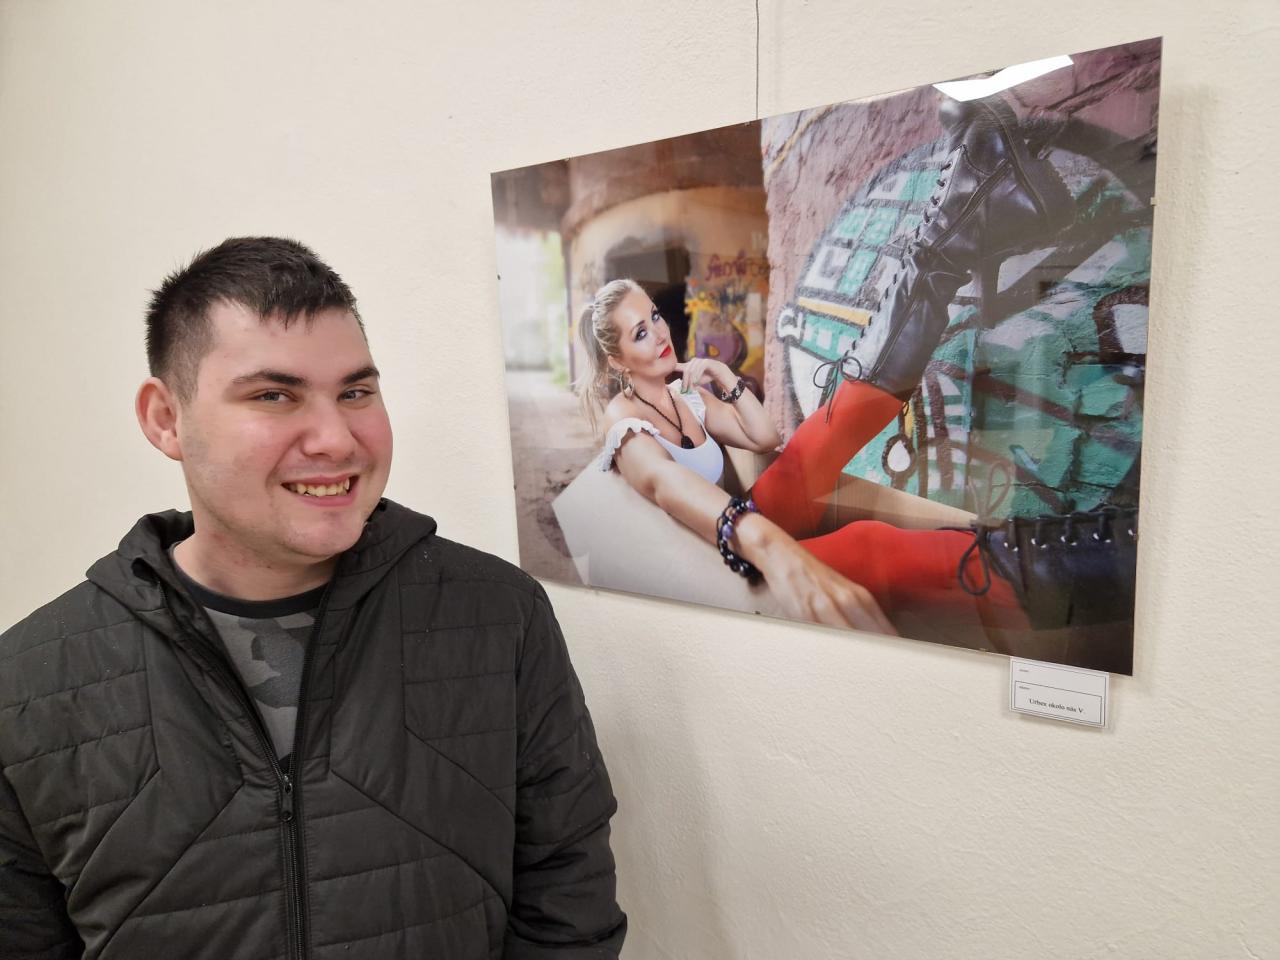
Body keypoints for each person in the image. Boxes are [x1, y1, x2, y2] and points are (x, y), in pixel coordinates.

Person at [0, 237, 627, 958]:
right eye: (274, 395)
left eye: (356, 392)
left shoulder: (499, 616)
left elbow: (568, 906)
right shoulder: (26, 684)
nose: (335, 439)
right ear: (166, 419)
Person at [577, 95, 1138, 651]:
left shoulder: (687, 399)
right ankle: (1115, 559)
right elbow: (665, 485)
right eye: (640, 333)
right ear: (618, 361)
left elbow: (766, 439)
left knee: (808, 455)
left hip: (743, 529)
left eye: (655, 317)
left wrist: (725, 378)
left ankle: (960, 220)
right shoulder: (622, 422)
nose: (660, 333)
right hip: (711, 565)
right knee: (869, 550)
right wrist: (773, 550)